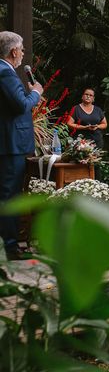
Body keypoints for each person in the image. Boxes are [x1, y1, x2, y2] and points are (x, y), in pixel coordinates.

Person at [0, 31, 43, 260]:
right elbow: (20, 105)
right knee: (10, 196)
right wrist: (35, 94)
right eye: (22, 49)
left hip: (9, 143)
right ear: (14, 51)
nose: (23, 53)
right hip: (11, 145)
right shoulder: (5, 72)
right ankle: (10, 247)